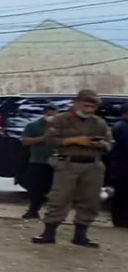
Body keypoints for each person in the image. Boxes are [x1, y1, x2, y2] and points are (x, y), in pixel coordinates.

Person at [33, 90, 111, 248]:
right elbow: (49, 139)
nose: (89, 109)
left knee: (91, 200)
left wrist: (100, 144)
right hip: (68, 163)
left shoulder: (99, 123)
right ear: (76, 103)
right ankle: (49, 233)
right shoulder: (61, 120)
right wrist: (73, 140)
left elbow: (109, 143)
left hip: (93, 164)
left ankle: (81, 235)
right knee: (59, 198)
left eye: (92, 107)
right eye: (86, 105)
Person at [20, 104, 59, 220]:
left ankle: (53, 214)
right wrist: (43, 138)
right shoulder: (33, 126)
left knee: (56, 189)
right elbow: (24, 140)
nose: (52, 116)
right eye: (49, 113)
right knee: (36, 188)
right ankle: (33, 210)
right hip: (38, 161)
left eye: (54, 113)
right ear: (44, 113)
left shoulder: (62, 126)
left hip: (57, 162)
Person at [108, 107, 128, 228]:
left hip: (120, 166)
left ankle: (121, 219)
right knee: (122, 194)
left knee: (122, 194)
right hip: (122, 166)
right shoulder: (121, 127)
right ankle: (121, 220)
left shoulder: (120, 126)